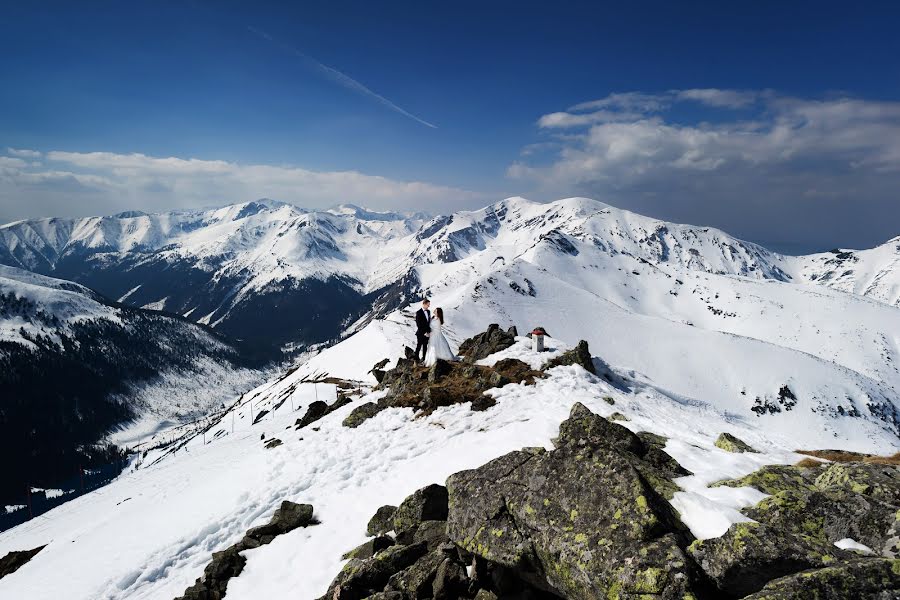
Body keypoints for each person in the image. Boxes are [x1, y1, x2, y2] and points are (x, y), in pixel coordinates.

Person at [414, 298, 431, 363]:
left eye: (429, 305)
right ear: (424, 304)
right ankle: (416, 358)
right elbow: (418, 324)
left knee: (425, 346)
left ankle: (424, 358)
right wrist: (424, 332)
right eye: (427, 305)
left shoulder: (428, 312)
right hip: (420, 333)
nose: (428, 306)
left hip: (427, 333)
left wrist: (428, 332)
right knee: (419, 345)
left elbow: (428, 323)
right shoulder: (419, 312)